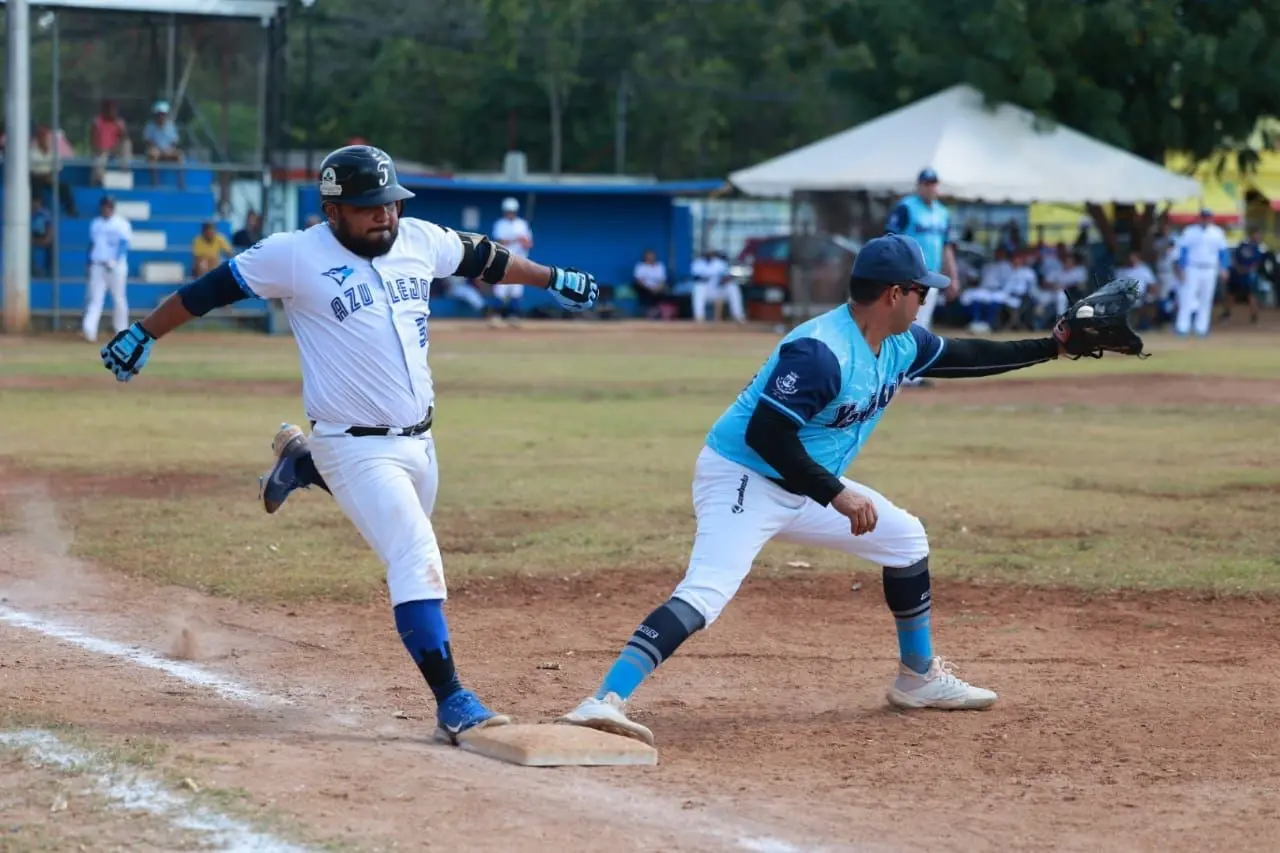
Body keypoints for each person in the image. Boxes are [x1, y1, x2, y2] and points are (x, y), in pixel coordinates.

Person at [552, 233, 1143, 747]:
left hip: (804, 482)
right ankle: (604, 699)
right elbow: (767, 434)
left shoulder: (899, 343)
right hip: (744, 476)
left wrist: (1054, 345)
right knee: (709, 588)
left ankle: (917, 679)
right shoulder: (820, 352)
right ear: (894, 294)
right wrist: (836, 493)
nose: (928, 299)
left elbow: (965, 356)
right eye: (922, 290)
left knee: (906, 540)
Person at [98, 145, 599, 744]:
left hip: (421, 442)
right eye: (367, 208)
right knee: (416, 557)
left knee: (402, 546)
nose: (383, 216)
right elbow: (210, 290)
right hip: (353, 444)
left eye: (388, 203)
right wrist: (143, 332)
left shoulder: (418, 239)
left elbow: (484, 258)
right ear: (333, 211)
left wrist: (553, 279)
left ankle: (299, 465)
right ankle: (452, 700)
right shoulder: (295, 255)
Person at [82, 196, 133, 343]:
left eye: (109, 206)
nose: (106, 209)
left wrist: (115, 260)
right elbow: (92, 244)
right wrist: (88, 261)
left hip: (116, 266)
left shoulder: (121, 224)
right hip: (98, 265)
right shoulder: (96, 223)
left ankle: (121, 331)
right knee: (95, 298)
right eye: (104, 206)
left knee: (119, 298)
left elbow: (123, 244)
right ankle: (89, 331)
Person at [1173, 209, 1229, 337]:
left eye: (1208, 217)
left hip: (1210, 268)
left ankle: (1201, 328)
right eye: (1203, 217)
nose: (1205, 219)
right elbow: (1183, 251)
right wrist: (1181, 268)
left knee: (1206, 298)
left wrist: (1224, 268)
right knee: (1187, 297)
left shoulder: (1217, 233)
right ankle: (1183, 327)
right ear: (1199, 218)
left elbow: (1223, 252)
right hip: (1192, 267)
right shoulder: (1190, 231)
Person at [488, 197, 534, 326]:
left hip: (520, 261)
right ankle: (496, 317)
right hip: (503, 260)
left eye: (512, 211)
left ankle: (514, 317)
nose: (510, 213)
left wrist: (523, 240)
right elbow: (500, 241)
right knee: (500, 290)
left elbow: (529, 244)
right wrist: (516, 238)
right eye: (508, 211)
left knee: (516, 290)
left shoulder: (522, 224)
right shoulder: (500, 224)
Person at [1222, 227, 1264, 324]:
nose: (1258, 236)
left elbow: (1257, 263)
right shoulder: (1243, 246)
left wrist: (1247, 269)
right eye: (1257, 234)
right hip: (1237, 274)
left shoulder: (1257, 249)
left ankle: (1254, 316)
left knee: (1251, 295)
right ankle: (1227, 313)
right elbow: (1234, 257)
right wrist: (1238, 267)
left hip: (1248, 274)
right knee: (1231, 294)